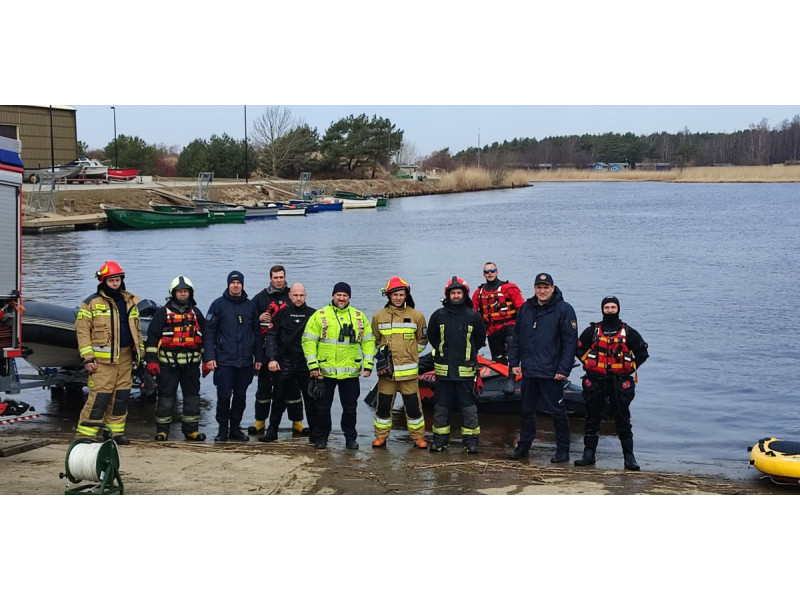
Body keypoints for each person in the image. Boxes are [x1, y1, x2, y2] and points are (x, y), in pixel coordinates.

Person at [508, 273, 578, 463]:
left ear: (553, 288)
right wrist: (514, 363)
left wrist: (564, 369)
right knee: (527, 410)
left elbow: (571, 343)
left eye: (546, 287)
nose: (542, 290)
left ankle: (563, 450)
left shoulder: (564, 309)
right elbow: (516, 338)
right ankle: (524, 446)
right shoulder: (526, 308)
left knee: (557, 411)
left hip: (552, 372)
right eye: (539, 287)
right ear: (534, 288)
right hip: (529, 370)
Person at [574, 295, 649, 470]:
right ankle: (588, 455)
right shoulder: (592, 331)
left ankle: (629, 458)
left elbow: (643, 353)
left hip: (619, 382)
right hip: (596, 380)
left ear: (618, 309)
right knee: (592, 419)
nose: (609, 310)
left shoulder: (628, 332)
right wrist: (588, 363)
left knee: (623, 419)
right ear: (602, 309)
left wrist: (629, 368)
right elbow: (578, 348)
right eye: (607, 307)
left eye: (612, 307)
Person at [74, 260, 144, 444]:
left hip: (126, 356)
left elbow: (136, 331)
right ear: (103, 281)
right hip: (103, 361)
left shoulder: (130, 302)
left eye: (118, 279)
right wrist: (87, 357)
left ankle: (114, 433)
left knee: (121, 396)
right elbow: (82, 332)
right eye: (111, 280)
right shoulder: (90, 303)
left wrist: (140, 356)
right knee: (99, 397)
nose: (115, 283)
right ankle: (85, 435)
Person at [301, 282, 375, 450]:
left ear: (349, 297)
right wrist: (313, 366)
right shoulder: (320, 315)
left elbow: (369, 341)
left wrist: (369, 364)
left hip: (350, 373)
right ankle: (322, 438)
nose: (341, 298)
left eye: (345, 295)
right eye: (339, 294)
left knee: (350, 408)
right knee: (322, 408)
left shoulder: (358, 316)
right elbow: (308, 341)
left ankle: (350, 438)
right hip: (324, 372)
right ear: (333, 295)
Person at [426, 276, 486, 454]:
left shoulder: (473, 316)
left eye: (459, 292)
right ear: (448, 294)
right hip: (443, 372)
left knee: (468, 409)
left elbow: (480, 339)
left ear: (464, 294)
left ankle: (471, 442)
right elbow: (432, 337)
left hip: (466, 372)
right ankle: (439, 441)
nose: (456, 295)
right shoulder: (438, 315)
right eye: (453, 293)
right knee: (441, 409)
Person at [203, 270, 265, 442]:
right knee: (223, 396)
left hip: (245, 362)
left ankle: (235, 429)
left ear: (242, 285)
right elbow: (209, 332)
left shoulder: (250, 306)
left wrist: (258, 358)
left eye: (238, 283)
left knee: (240, 397)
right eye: (233, 283)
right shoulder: (218, 304)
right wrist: (209, 357)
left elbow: (257, 333)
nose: (236, 285)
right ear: (228, 284)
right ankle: (222, 429)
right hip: (223, 361)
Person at [145, 275, 207, 442]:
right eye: (179, 291)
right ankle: (163, 431)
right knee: (166, 397)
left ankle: (191, 430)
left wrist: (207, 360)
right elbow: (152, 338)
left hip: (191, 365)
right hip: (168, 365)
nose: (182, 294)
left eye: (185, 291)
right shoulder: (162, 313)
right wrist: (151, 360)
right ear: (173, 293)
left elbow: (207, 337)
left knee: (192, 397)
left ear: (190, 293)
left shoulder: (196, 313)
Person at [369, 276, 429, 449]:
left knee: (413, 407)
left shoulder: (417, 316)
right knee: (383, 407)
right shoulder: (378, 317)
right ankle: (381, 437)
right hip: (387, 374)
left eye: (401, 295)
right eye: (394, 294)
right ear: (388, 296)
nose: (398, 298)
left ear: (406, 295)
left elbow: (422, 341)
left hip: (409, 373)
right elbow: (375, 341)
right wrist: (382, 359)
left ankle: (418, 437)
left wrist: (410, 355)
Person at [250, 265, 307, 436]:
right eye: (275, 277)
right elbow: (250, 322)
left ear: (285, 277)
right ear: (270, 278)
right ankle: (260, 421)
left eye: (281, 277)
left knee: (293, 390)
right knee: (264, 389)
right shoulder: (260, 298)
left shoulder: (293, 295)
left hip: (289, 352)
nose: (278, 280)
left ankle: (297, 422)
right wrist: (258, 317)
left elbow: (304, 318)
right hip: (267, 350)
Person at [260, 283, 318, 443]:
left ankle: (315, 433)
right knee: (278, 399)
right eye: (295, 295)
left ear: (305, 295)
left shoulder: (314, 315)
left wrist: (317, 365)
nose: (298, 298)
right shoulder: (281, 314)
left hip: (305, 364)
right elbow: (271, 336)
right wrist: (271, 359)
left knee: (311, 400)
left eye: (301, 295)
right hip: (284, 362)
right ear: (290, 296)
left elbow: (321, 340)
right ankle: (272, 431)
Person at [472, 262, 524, 394]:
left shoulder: (509, 288)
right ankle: (503, 376)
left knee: (512, 352)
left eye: (492, 270)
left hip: (510, 326)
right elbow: (474, 314)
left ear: (497, 272)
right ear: (483, 274)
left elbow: (522, 309)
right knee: (498, 356)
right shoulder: (479, 293)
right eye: (487, 271)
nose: (490, 273)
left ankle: (512, 379)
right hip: (492, 329)